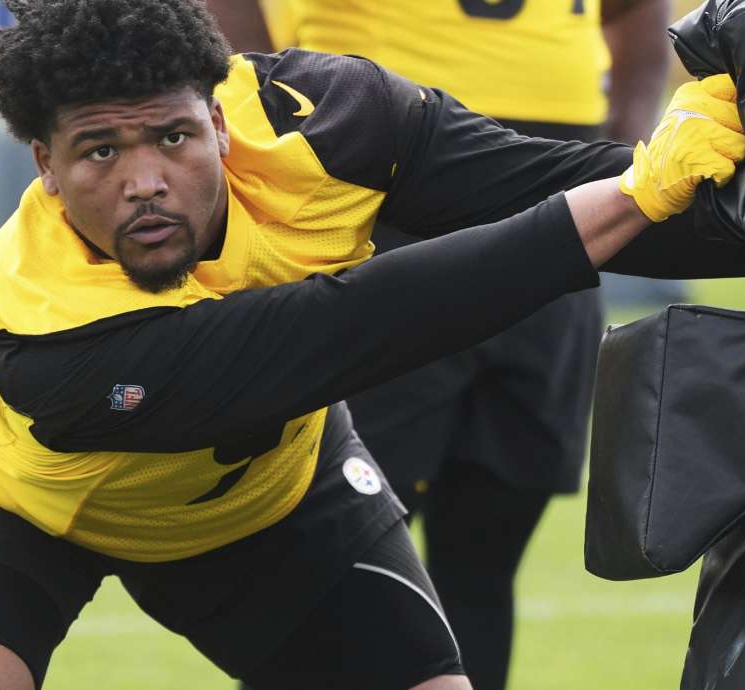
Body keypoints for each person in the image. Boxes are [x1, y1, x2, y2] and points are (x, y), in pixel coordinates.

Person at [0, 1, 745, 688]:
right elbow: (357, 324)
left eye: (172, 136)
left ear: (218, 119)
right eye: (98, 153)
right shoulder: (47, 335)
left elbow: (541, 178)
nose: (145, 182)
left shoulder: (325, 120)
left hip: (259, 497)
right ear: (43, 168)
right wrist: (637, 194)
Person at [211, 2, 672, 687]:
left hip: (557, 187)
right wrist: (266, 114)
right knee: (339, 543)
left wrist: (629, 137)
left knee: (488, 545)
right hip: (380, 175)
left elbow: (635, 10)